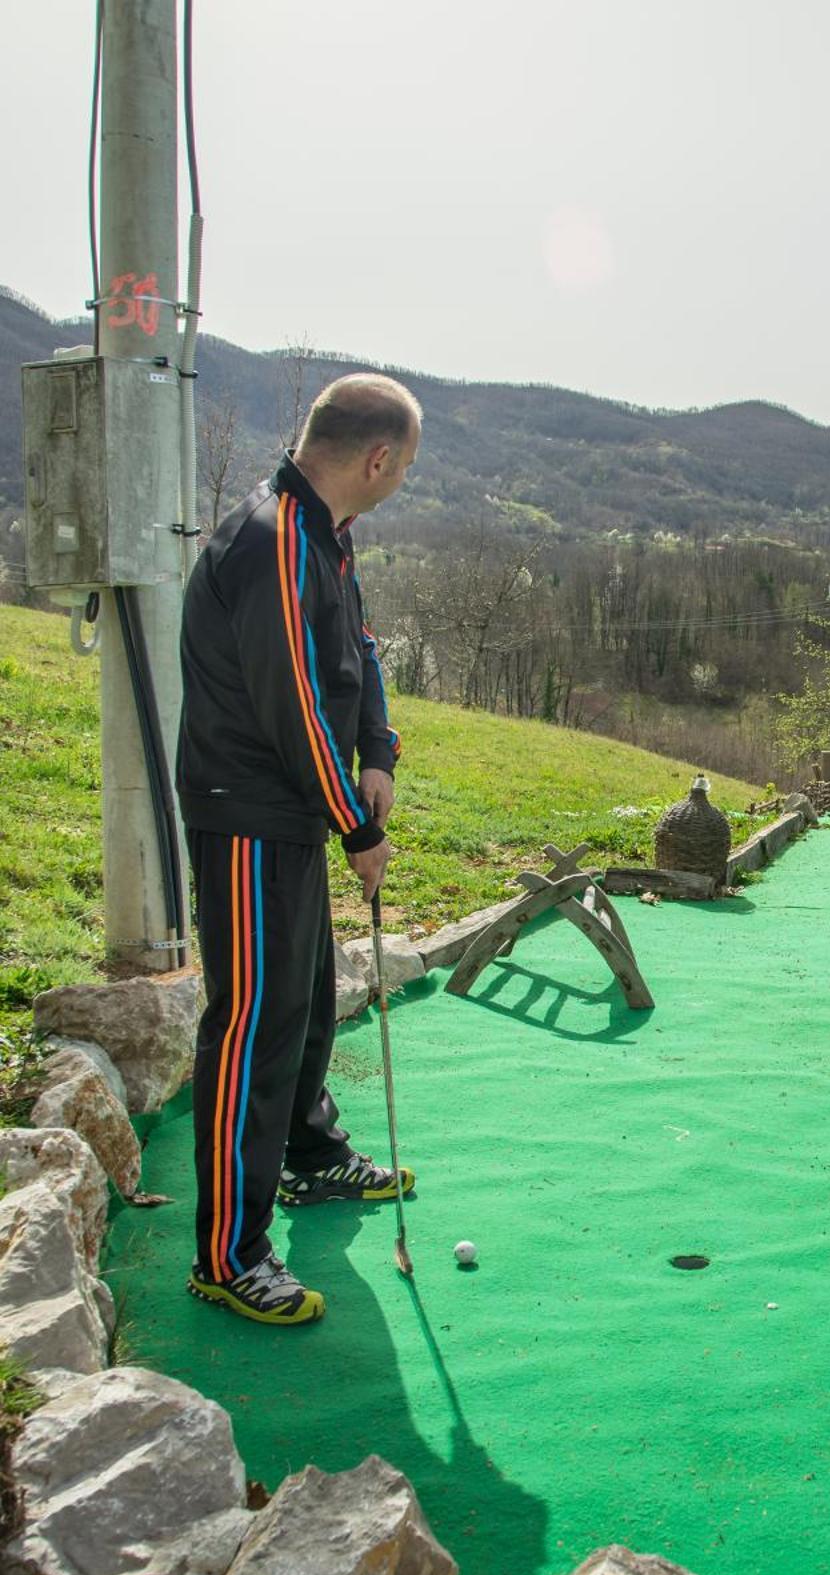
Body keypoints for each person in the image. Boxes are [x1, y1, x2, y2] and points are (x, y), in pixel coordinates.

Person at [176, 372, 422, 1326]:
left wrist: (380, 755)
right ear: (376, 458)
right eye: (404, 465)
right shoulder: (275, 539)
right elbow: (293, 707)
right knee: (252, 1027)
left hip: (289, 815)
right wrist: (359, 827)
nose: (400, 478)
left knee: (306, 1001)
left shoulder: (327, 538)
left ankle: (310, 1159)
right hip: (245, 815)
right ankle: (227, 1256)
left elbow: (356, 658)